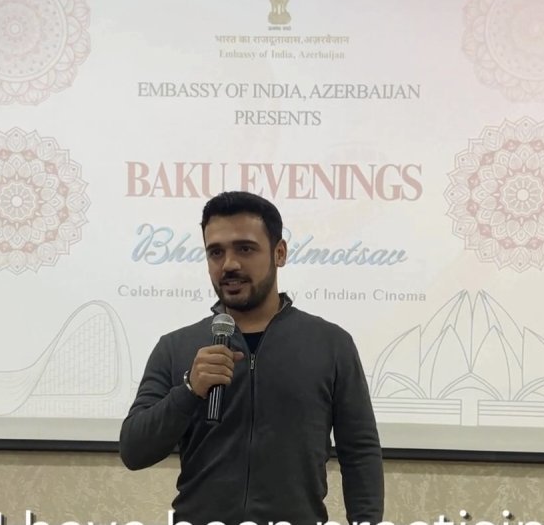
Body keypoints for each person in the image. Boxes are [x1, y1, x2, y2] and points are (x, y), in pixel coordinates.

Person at [119, 191, 384, 525]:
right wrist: (188, 391)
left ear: (279, 253)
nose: (229, 264)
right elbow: (134, 451)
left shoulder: (331, 345)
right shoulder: (176, 347)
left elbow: (359, 452)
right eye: (216, 252)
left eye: (244, 248)